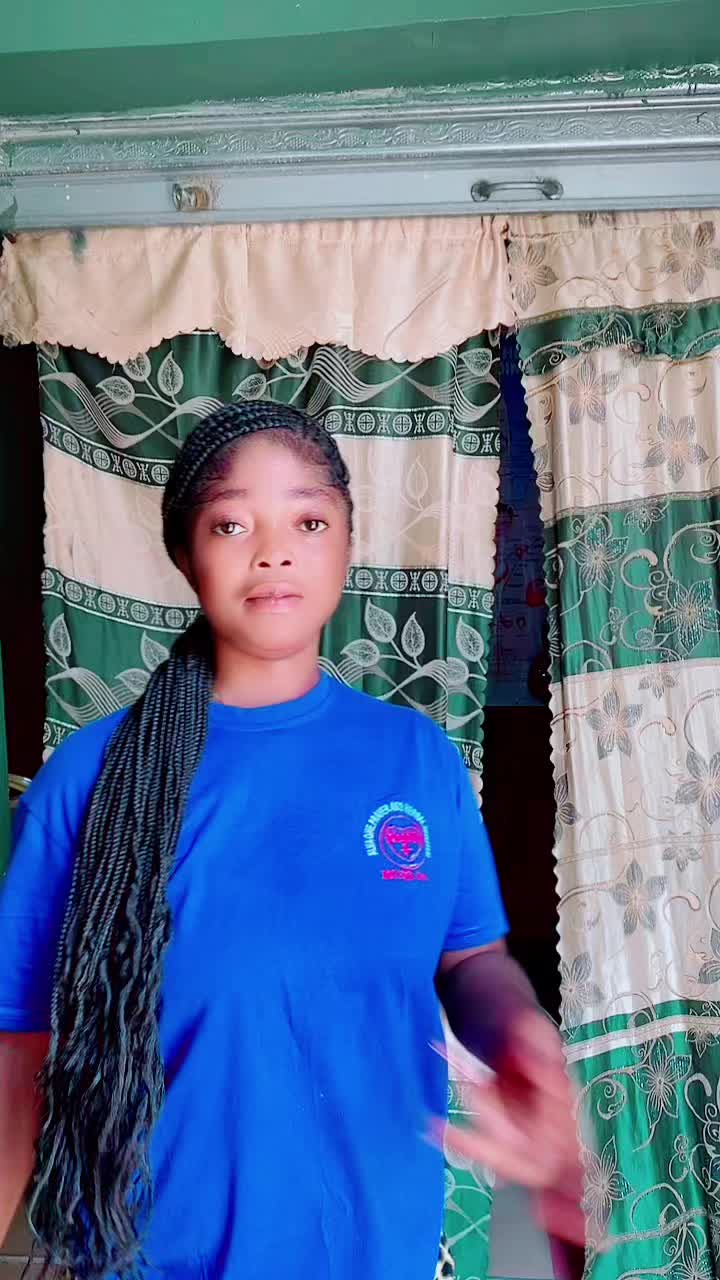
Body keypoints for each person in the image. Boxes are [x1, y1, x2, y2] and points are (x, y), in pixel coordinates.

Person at [0, 403, 584, 1280]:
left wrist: (517, 1033)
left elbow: (471, 958)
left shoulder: (418, 759)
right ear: (185, 553)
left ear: (347, 541)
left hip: (377, 1250)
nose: (273, 551)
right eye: (231, 524)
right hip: (157, 1257)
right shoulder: (91, 781)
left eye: (308, 521)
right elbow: (18, 1048)